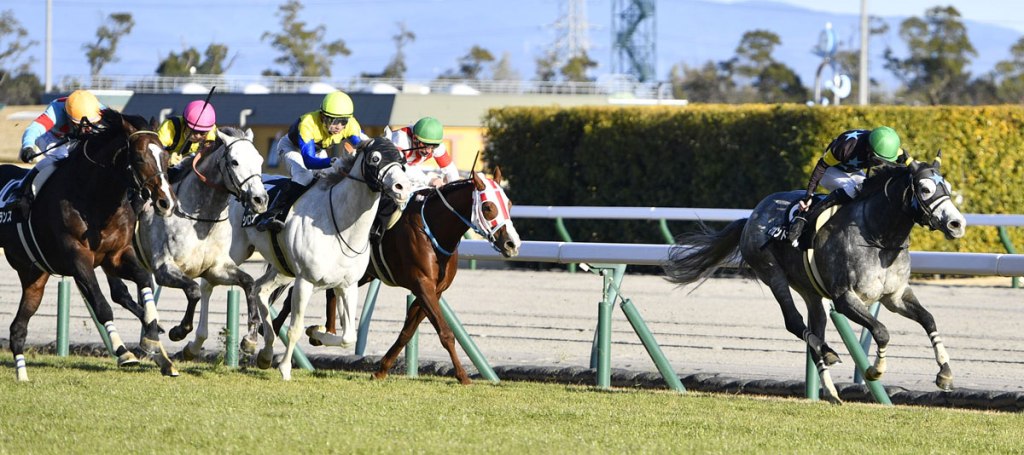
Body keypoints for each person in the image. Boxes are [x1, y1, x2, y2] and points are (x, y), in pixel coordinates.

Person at [256, 90, 367, 232]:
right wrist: (333, 161)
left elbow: (366, 145)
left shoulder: (350, 124)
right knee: (304, 176)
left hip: (318, 151)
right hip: (292, 148)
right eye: (334, 121)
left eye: (343, 121)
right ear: (323, 117)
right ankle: (271, 215)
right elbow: (308, 161)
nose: (339, 127)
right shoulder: (308, 123)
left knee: (331, 178)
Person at [786, 126, 909, 243]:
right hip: (830, 170)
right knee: (854, 189)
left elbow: (912, 162)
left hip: (851, 170)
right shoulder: (846, 147)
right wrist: (808, 196)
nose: (881, 163)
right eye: (879, 160)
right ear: (869, 149)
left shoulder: (888, 148)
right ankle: (805, 220)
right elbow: (821, 166)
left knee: (870, 190)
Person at [16, 89, 109, 215]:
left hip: (73, 138)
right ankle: (24, 192)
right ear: (69, 117)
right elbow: (34, 128)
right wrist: (27, 146)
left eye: (91, 124)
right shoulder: (56, 111)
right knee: (61, 158)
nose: (88, 128)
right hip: (50, 137)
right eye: (83, 124)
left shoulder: (98, 109)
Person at [369, 116, 461, 243]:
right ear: (414, 137)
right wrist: (429, 180)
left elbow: (451, 171)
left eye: (432, 146)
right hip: (384, 173)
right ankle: (375, 231)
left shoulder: (435, 146)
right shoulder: (400, 139)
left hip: (406, 176)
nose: (428, 150)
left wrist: (454, 195)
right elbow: (403, 169)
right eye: (424, 145)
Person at [157, 100, 218, 182]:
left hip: (188, 164)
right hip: (165, 169)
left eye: (202, 133)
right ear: (185, 123)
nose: (198, 136)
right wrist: (167, 159)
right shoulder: (169, 127)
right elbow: (154, 155)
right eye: (194, 131)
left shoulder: (209, 127)